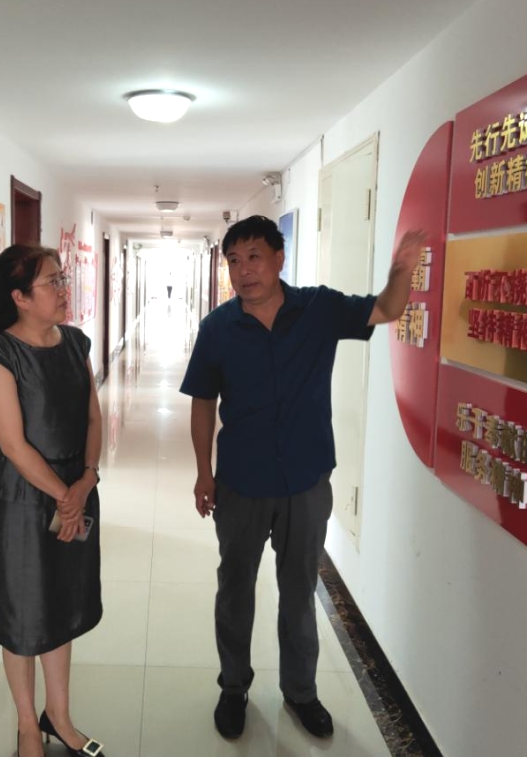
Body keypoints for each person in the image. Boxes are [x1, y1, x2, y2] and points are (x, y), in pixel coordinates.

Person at [180, 214, 424, 741]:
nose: (244, 270)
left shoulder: (319, 309)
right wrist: (204, 472)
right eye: (234, 261)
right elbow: (203, 402)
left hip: (306, 481)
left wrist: (402, 268)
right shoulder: (218, 328)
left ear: (279, 258)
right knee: (235, 588)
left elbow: (387, 309)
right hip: (241, 482)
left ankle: (301, 692)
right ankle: (233, 687)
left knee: (298, 591)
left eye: (254, 257)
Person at [0, 245, 106, 757]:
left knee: (63, 604)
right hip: (26, 501)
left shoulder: (74, 342)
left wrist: (86, 480)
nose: (63, 290)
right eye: (52, 282)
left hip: (77, 488)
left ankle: (61, 717)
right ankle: (28, 725)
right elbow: (13, 444)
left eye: (63, 279)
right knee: (25, 611)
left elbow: (93, 417)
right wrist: (64, 496)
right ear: (20, 297)